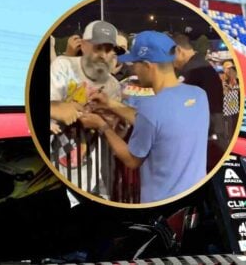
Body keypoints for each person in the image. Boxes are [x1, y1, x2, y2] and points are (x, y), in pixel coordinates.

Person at [79, 31, 209, 203]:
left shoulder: (151, 108)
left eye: (135, 64)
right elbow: (158, 123)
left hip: (161, 204)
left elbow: (132, 160)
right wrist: (109, 104)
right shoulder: (199, 95)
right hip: (196, 199)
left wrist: (102, 126)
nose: (134, 69)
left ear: (148, 65)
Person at [50, 20, 122, 198]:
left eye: (108, 49)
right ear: (83, 45)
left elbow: (114, 130)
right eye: (98, 47)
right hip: (55, 169)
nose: (103, 55)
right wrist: (62, 108)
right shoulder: (63, 66)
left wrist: (104, 122)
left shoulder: (113, 85)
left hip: (93, 176)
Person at [172, 33, 226, 171]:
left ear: (178, 50)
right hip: (215, 132)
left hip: (206, 137)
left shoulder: (193, 70)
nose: (171, 63)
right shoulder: (202, 66)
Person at [222, 60, 240, 142]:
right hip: (225, 109)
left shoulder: (236, 79)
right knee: (227, 127)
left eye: (231, 68)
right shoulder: (222, 79)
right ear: (224, 70)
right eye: (228, 69)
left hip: (234, 107)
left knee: (234, 125)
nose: (230, 71)